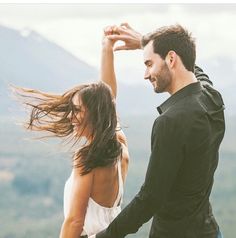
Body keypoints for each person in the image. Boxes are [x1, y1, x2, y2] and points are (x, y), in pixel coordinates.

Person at [92, 23, 225, 238]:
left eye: (149, 64)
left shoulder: (171, 122)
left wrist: (104, 236)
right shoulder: (212, 97)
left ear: (171, 59)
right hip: (209, 231)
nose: (146, 74)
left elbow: (150, 198)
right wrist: (147, 42)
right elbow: (194, 70)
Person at [14, 30, 129, 238]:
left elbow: (75, 221)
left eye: (77, 110)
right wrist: (107, 49)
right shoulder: (120, 147)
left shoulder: (86, 158)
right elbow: (110, 99)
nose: (70, 116)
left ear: (94, 114)